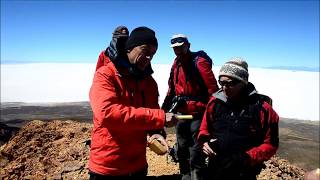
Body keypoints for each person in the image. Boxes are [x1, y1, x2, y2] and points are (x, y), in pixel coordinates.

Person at [88, 26, 177, 179]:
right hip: (109, 166)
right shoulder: (106, 75)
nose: (149, 57)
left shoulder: (149, 83)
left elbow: (151, 114)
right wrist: (159, 118)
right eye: (145, 51)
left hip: (138, 165)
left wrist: (156, 132)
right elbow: (107, 113)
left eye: (153, 54)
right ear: (129, 48)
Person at [198, 58, 279, 180]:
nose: (224, 88)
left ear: (243, 82)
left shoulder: (263, 109)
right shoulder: (214, 103)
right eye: (221, 83)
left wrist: (246, 158)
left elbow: (271, 144)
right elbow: (204, 128)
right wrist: (204, 142)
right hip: (216, 166)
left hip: (244, 170)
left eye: (230, 83)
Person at [162, 34, 219, 180]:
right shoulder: (176, 63)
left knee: (195, 151)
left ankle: (196, 176)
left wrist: (213, 116)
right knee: (181, 147)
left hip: (199, 114)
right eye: (175, 48)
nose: (178, 50)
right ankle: (185, 176)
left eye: (181, 47)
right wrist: (163, 110)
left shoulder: (199, 62)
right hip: (181, 113)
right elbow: (171, 88)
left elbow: (213, 90)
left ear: (188, 45)